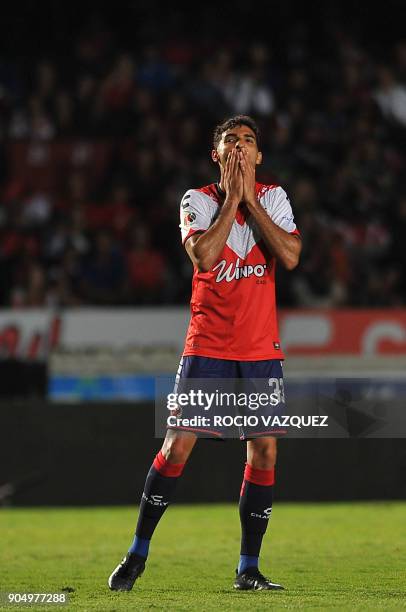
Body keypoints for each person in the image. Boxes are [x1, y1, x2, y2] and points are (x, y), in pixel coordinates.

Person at [108, 115, 301, 592]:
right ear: (216, 154)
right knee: (178, 445)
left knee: (266, 449)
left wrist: (250, 200)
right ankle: (137, 552)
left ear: (258, 156)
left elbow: (292, 256)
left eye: (249, 141)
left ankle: (248, 568)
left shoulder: (274, 199)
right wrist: (233, 199)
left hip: (259, 350)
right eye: (230, 140)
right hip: (209, 345)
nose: (240, 146)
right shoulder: (197, 200)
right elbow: (204, 258)